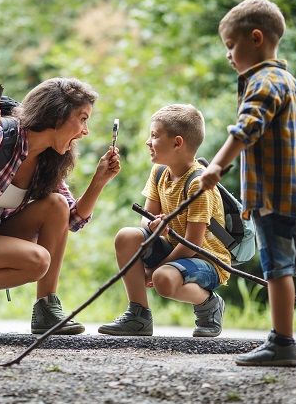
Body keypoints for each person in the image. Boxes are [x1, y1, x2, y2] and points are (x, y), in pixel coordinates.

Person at [199, 0, 296, 366]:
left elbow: (246, 129)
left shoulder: (262, 82)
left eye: (230, 46)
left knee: (277, 268)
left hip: (273, 197)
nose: (228, 56)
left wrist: (216, 166)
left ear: (255, 38)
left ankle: (281, 343)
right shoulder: (291, 83)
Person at [0, 77, 121, 335]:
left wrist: (99, 181)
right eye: (82, 118)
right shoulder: (0, 137)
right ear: (58, 115)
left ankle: (45, 309)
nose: (85, 130)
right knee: (38, 260)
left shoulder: (46, 160)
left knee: (56, 205)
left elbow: (71, 220)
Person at [98, 104, 231, 338]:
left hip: (208, 261)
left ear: (177, 143)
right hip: (175, 250)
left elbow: (192, 244)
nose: (148, 142)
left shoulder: (198, 184)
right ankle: (138, 315)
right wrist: (152, 227)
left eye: (154, 136)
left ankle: (209, 304)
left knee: (163, 279)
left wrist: (154, 270)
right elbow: (145, 221)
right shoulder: (160, 172)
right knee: (127, 236)